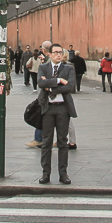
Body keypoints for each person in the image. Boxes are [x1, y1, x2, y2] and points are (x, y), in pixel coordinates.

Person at [36, 43, 77, 184]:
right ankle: (45, 173)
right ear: (50, 54)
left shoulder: (68, 68)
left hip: (62, 108)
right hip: (47, 108)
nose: (58, 54)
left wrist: (52, 88)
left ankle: (63, 173)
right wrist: (59, 81)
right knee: (46, 141)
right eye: (55, 52)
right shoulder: (43, 67)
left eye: (60, 52)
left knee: (62, 142)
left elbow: (70, 86)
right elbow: (40, 84)